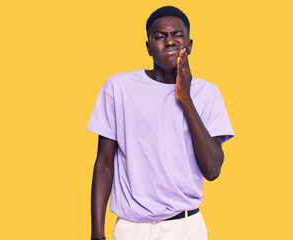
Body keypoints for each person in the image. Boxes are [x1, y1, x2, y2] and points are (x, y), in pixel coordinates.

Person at [87, 6, 234, 240]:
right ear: (148, 47)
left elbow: (212, 170)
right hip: (132, 228)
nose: (169, 42)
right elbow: (104, 163)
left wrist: (185, 99)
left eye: (178, 35)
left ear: (190, 45)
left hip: (186, 227)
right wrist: (97, 232)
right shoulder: (118, 87)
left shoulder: (208, 93)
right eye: (159, 36)